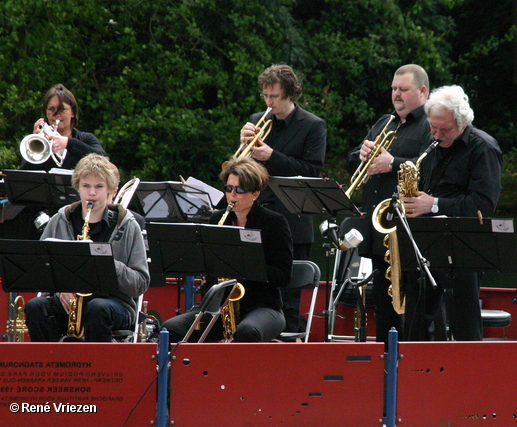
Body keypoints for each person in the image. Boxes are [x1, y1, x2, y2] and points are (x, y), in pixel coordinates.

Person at [402, 85, 503, 341]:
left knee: (464, 316)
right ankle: (417, 361)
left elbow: (482, 204)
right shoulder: (433, 142)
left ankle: (466, 368)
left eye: (443, 129)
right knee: (419, 307)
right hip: (427, 237)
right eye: (432, 127)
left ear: (461, 123)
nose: (435, 134)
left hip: (465, 243)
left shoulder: (484, 148)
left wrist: (433, 204)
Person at [162, 157, 293, 343]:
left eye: (239, 190)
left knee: (247, 332)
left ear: (255, 193)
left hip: (263, 306)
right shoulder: (218, 219)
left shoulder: (274, 222)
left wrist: (245, 266)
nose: (232, 195)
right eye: (228, 188)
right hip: (221, 306)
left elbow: (284, 276)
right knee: (171, 328)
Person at [346, 64, 431, 344]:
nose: (396, 94)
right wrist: (362, 154)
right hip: (378, 227)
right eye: (394, 88)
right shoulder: (385, 122)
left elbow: (430, 167)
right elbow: (351, 162)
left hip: (407, 229)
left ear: (422, 91)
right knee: (384, 300)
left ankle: (410, 357)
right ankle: (385, 354)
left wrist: (391, 163)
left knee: (409, 303)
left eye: (403, 89)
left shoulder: (430, 124)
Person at [24, 154, 150, 342]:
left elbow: (140, 283)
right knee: (35, 307)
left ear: (112, 192)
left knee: (97, 309)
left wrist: (106, 264)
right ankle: (50, 366)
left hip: (115, 304)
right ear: (78, 188)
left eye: (99, 187)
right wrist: (60, 290)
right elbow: (41, 270)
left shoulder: (128, 225)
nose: (92, 193)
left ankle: (98, 369)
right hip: (69, 302)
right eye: (86, 186)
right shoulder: (60, 220)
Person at [239, 63, 326, 333]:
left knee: (288, 296)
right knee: (251, 288)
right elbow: (244, 170)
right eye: (265, 96)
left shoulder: (313, 125)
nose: (268, 102)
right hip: (256, 215)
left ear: (290, 94)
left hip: (291, 219)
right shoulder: (258, 119)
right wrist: (244, 146)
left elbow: (313, 171)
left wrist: (273, 157)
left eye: (274, 96)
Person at [21, 84, 107, 170]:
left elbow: (104, 161)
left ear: (72, 113)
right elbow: (24, 173)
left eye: (62, 109)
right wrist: (36, 143)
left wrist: (69, 143)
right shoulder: (43, 141)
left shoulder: (86, 138)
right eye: (51, 109)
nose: (57, 115)